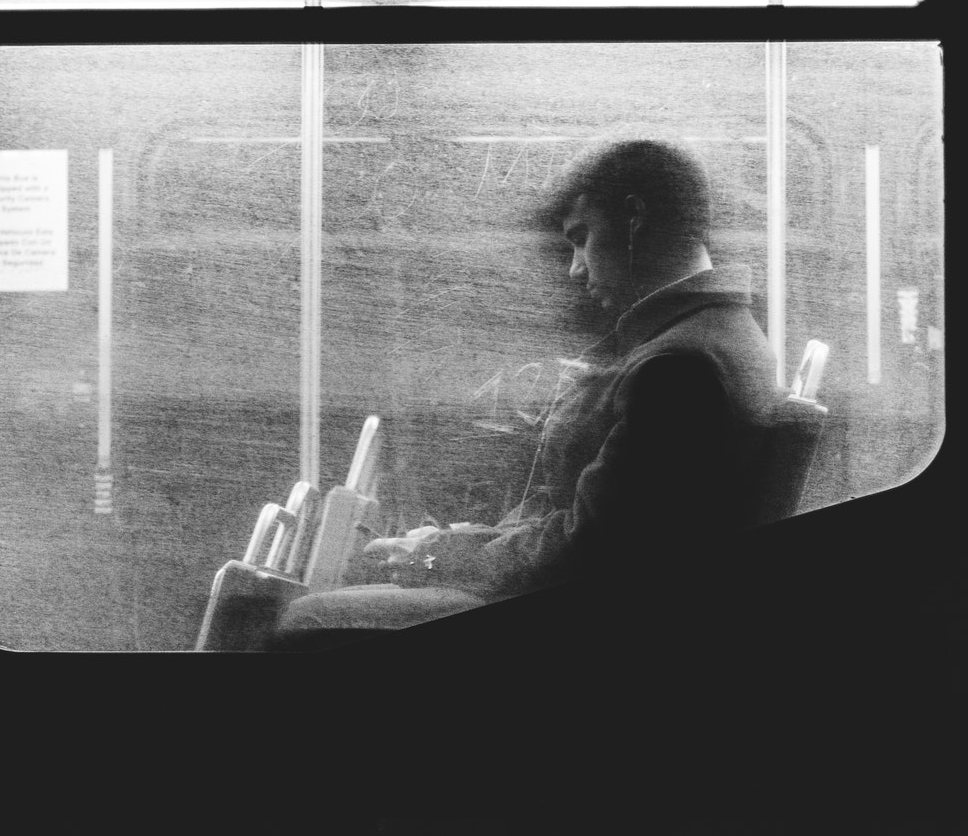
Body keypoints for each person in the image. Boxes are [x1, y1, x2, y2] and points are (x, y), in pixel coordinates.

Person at [271, 139, 782, 645]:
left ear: (634, 217)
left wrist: (435, 557)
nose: (575, 268)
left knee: (304, 621)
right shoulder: (715, 338)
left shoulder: (677, 367)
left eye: (582, 238)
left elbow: (585, 550)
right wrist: (451, 543)